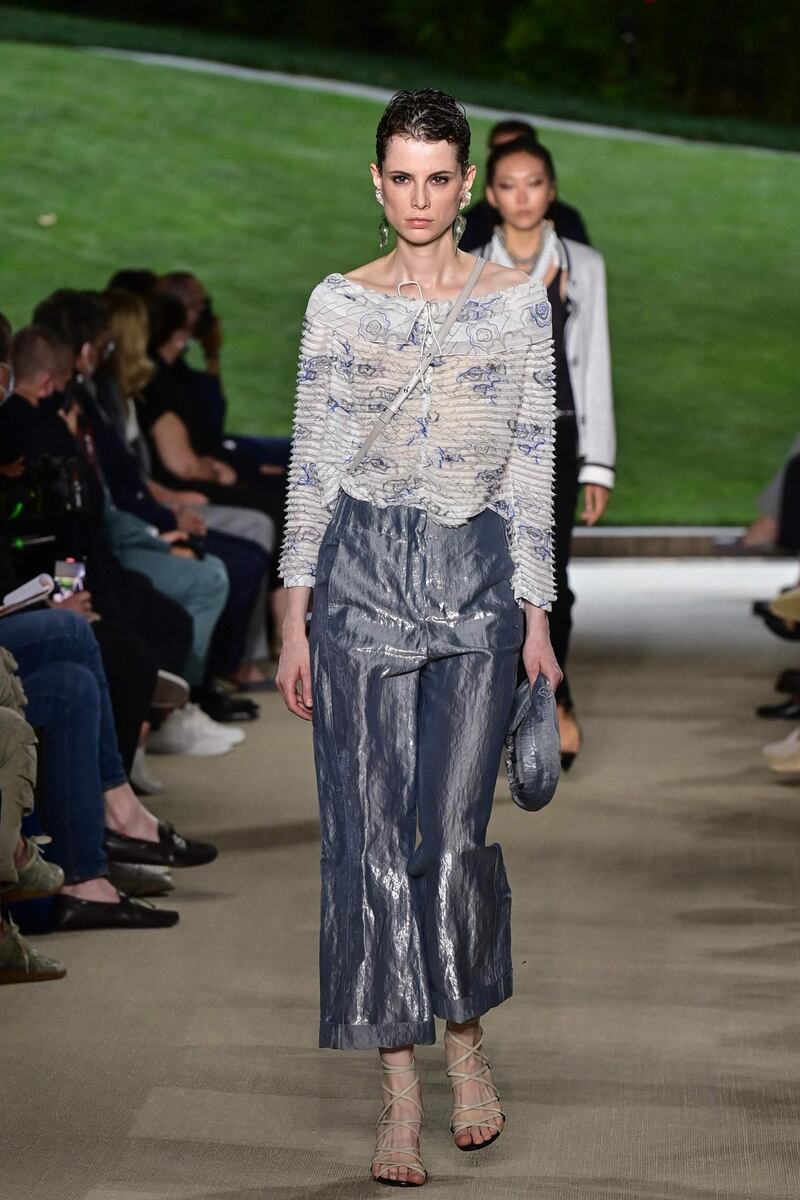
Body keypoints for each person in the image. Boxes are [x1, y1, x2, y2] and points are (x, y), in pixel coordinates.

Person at [277, 89, 560, 1186]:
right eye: (400, 177)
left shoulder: (516, 303)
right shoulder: (337, 304)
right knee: (366, 840)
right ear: (375, 180)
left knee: (449, 836)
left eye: (438, 177)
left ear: (463, 185)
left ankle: (463, 1035)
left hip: (477, 579)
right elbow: (311, 462)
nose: (418, 198)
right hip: (355, 579)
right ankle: (398, 1089)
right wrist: (292, 613)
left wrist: (535, 614)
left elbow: (529, 463)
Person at [474, 135, 615, 768]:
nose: (521, 196)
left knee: (548, 578)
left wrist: (598, 463)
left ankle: (555, 702)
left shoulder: (585, 264)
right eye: (508, 184)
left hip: (557, 437)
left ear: (550, 190)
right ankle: (501, 706)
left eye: (533, 183)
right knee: (495, 579)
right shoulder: (469, 261)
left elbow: (595, 368)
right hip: (489, 441)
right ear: (490, 194)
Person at [460, 119, 590, 253]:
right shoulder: (467, 228)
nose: (522, 198)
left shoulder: (569, 224)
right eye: (501, 151)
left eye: (534, 183)